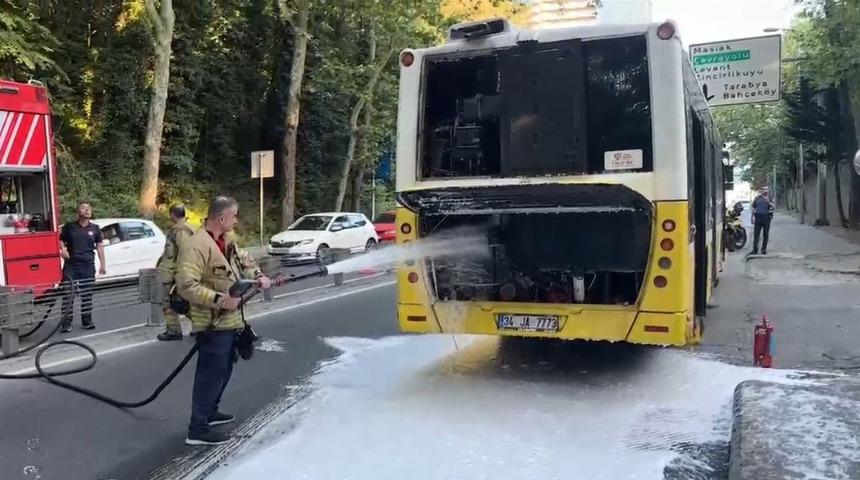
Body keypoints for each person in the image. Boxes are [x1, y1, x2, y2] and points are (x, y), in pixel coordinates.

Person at [176, 196, 271, 446]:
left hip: (231, 320)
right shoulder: (196, 245)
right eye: (234, 216)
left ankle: (210, 412)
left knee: (225, 368)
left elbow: (245, 261)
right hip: (212, 323)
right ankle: (197, 429)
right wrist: (220, 300)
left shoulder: (227, 240)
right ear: (222, 218)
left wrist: (259, 276)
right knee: (210, 374)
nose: (236, 220)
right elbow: (186, 286)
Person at [59, 202, 106, 332]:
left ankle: (87, 321)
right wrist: (63, 250)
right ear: (78, 212)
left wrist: (103, 264)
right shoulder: (69, 227)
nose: (87, 210)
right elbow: (61, 239)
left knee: (87, 295)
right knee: (68, 294)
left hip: (87, 265)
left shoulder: (95, 228)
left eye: (89, 208)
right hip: (71, 266)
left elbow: (100, 246)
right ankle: (66, 323)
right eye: (83, 208)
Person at [156, 204, 195, 341]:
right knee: (184, 303)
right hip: (175, 273)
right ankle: (202, 326)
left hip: (173, 274)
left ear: (172, 214)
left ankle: (174, 331)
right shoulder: (189, 228)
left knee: (169, 303)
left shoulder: (180, 230)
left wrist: (180, 277)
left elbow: (184, 253)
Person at [751, 186, 775, 255]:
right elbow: (753, 208)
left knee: (766, 234)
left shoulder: (770, 198)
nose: (765, 190)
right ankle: (755, 249)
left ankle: (763, 249)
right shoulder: (757, 198)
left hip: (766, 217)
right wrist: (752, 218)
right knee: (756, 234)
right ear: (761, 190)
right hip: (758, 217)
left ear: (768, 190)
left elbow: (774, 207)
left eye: (766, 189)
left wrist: (768, 202)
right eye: (763, 189)